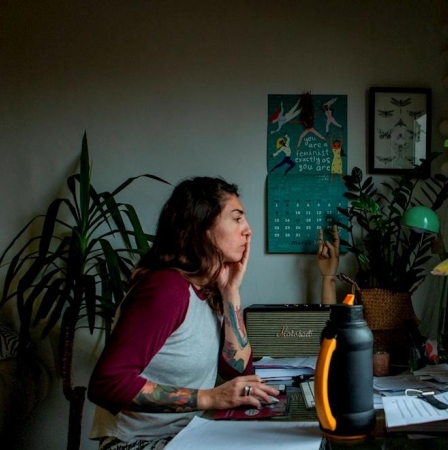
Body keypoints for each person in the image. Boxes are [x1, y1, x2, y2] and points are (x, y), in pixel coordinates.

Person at [88, 176, 338, 449]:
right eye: (237, 218)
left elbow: (239, 370)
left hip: (190, 432)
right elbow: (107, 384)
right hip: (137, 443)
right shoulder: (166, 288)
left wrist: (231, 293)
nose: (248, 230)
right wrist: (210, 398)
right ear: (202, 226)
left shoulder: (206, 289)